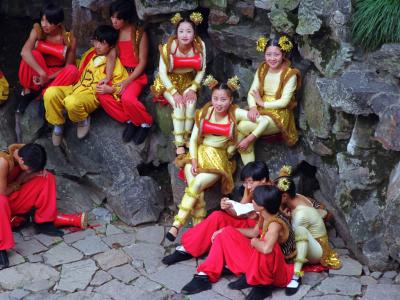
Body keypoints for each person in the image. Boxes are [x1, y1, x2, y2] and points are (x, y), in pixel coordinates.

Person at [166, 75, 269, 241]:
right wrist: (193, 160)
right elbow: (192, 139)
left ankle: (177, 224)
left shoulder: (236, 113)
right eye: (215, 98)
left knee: (197, 183)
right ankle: (197, 234)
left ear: (230, 100)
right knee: (196, 190)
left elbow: (263, 121)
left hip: (218, 158)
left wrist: (249, 138)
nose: (218, 103)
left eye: (223, 99)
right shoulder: (205, 111)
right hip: (196, 154)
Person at [181, 185, 295, 300]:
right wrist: (225, 230)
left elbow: (267, 249)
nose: (252, 201)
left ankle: (262, 287)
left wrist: (255, 242)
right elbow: (254, 233)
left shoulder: (275, 224)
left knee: (267, 245)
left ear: (261, 207)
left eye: (254, 200)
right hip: (259, 259)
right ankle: (204, 277)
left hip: (273, 269)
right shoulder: (265, 215)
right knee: (225, 234)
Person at [162, 161, 270, 265]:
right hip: (246, 222)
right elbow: (241, 211)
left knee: (226, 231)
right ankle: (187, 249)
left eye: (251, 182)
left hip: (258, 232)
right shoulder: (250, 189)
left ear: (264, 179)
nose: (248, 186)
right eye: (246, 183)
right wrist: (229, 208)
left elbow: (256, 232)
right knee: (217, 216)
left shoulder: (272, 195)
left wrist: (227, 229)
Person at [0, 143, 87, 270]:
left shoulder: (28, 151)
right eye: (29, 169)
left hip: (11, 198)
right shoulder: (3, 162)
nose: (30, 172)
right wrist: (19, 181)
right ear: (22, 160)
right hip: (3, 198)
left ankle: (44, 222)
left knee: (46, 177)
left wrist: (35, 174)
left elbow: (36, 171)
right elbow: (2, 192)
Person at [43, 25, 128, 146]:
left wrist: (111, 89)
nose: (97, 45)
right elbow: (78, 63)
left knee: (71, 102)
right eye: (96, 41)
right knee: (50, 93)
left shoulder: (115, 64)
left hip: (90, 96)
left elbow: (123, 84)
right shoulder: (91, 54)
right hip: (76, 87)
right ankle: (58, 123)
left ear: (111, 46)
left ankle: (82, 119)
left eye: (102, 43)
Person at [96, 0, 153, 144]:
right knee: (102, 94)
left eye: (118, 18)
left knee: (127, 98)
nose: (114, 21)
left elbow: (142, 62)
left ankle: (145, 123)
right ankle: (130, 120)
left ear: (127, 18)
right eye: (112, 17)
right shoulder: (114, 34)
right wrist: (107, 77)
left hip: (135, 76)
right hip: (119, 73)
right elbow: (111, 57)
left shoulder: (139, 34)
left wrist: (127, 81)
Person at [238, 35, 301, 164]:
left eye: (276, 55)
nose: (272, 59)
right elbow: (252, 91)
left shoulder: (290, 74)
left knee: (244, 126)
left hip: (279, 112)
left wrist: (261, 103)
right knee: (236, 119)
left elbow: (284, 102)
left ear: (283, 54)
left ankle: (233, 151)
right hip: (260, 108)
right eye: (268, 55)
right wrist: (253, 107)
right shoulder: (262, 69)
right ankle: (249, 168)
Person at [150, 12, 206, 156]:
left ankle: (187, 137)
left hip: (188, 80)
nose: (185, 35)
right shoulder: (168, 47)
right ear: (176, 32)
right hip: (169, 81)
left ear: (194, 33)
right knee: (179, 105)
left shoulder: (200, 45)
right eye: (181, 31)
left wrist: (193, 88)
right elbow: (162, 73)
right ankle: (179, 143)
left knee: (191, 103)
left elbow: (202, 69)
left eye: (189, 31)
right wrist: (174, 93)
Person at [276, 175, 342, 295]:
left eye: (276, 196)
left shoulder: (300, 214)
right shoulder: (298, 196)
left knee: (300, 232)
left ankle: (296, 276)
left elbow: (293, 237)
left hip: (319, 251)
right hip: (315, 241)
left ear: (285, 196)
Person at [17, 2, 79, 113]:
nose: (44, 24)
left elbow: (68, 67)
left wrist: (48, 77)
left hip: (55, 74)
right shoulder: (37, 31)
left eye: (49, 22)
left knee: (73, 70)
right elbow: (24, 52)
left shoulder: (69, 39)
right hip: (39, 70)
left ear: (58, 23)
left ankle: (44, 94)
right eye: (42, 20)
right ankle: (28, 91)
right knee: (33, 54)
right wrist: (42, 73)